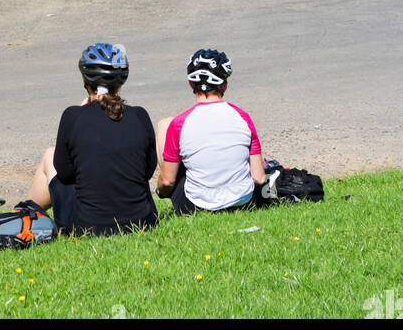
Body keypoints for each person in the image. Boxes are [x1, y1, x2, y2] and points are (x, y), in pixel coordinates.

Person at [29, 43, 158, 235]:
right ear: (121, 82)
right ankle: (26, 213)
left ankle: (26, 213)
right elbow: (147, 171)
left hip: (85, 226)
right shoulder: (140, 115)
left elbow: (65, 174)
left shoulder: (73, 117)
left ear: (85, 81)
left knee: (50, 155)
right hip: (143, 221)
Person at [156, 48, 266, 215]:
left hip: (195, 205)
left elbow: (167, 181)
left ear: (191, 84)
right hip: (242, 202)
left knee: (164, 125)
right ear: (224, 85)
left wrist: (163, 191)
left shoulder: (179, 123)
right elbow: (259, 177)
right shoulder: (243, 117)